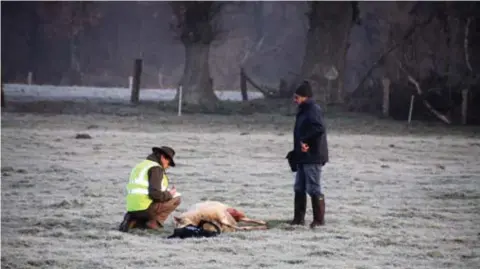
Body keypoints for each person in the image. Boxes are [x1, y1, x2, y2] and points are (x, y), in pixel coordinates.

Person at [287, 81, 329, 228]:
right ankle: (298, 219)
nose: (295, 99)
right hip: (303, 157)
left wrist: (306, 142)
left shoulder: (312, 110)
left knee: (313, 188)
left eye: (297, 97)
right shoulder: (304, 110)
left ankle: (319, 221)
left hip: (313, 156)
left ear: (305, 97)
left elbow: (319, 129)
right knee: (299, 187)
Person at [118, 146, 181, 232]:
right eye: (169, 163)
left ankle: (134, 220)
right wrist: (170, 194)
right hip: (145, 208)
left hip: (131, 209)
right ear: (163, 157)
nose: (168, 166)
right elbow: (155, 194)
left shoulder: (140, 166)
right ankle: (154, 223)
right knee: (177, 199)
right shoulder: (156, 168)